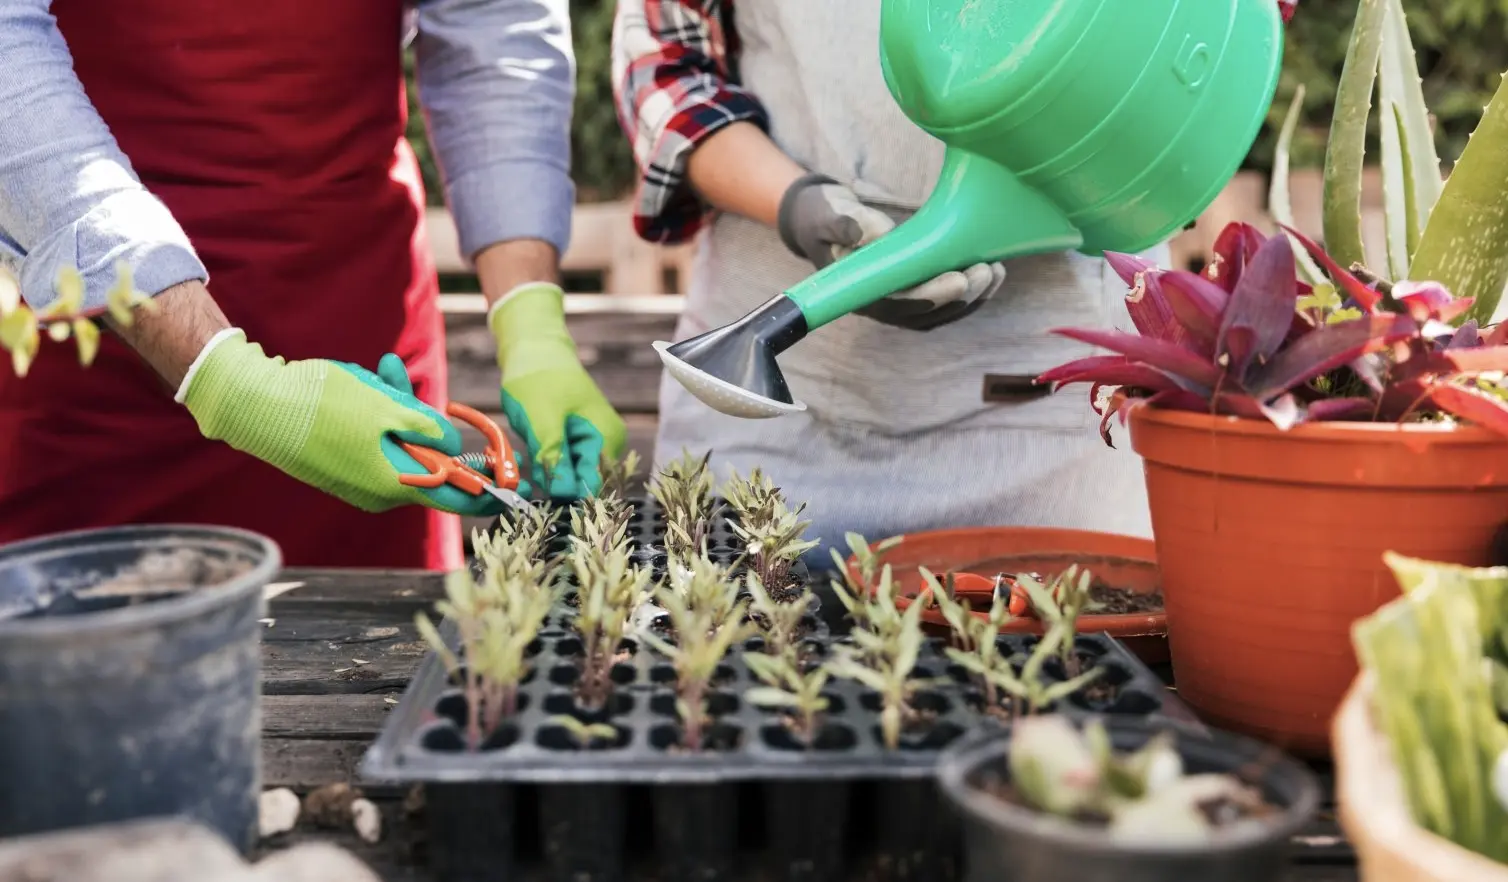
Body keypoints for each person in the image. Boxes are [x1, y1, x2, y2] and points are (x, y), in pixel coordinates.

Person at [0, 0, 626, 570]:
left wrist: (530, 322)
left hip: (361, 317)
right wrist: (225, 382)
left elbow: (492, 26)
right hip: (96, 351)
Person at [611, 0, 1161, 557]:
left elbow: (1198, 78)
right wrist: (794, 204)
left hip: (1046, 443)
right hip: (773, 438)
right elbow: (668, 70)